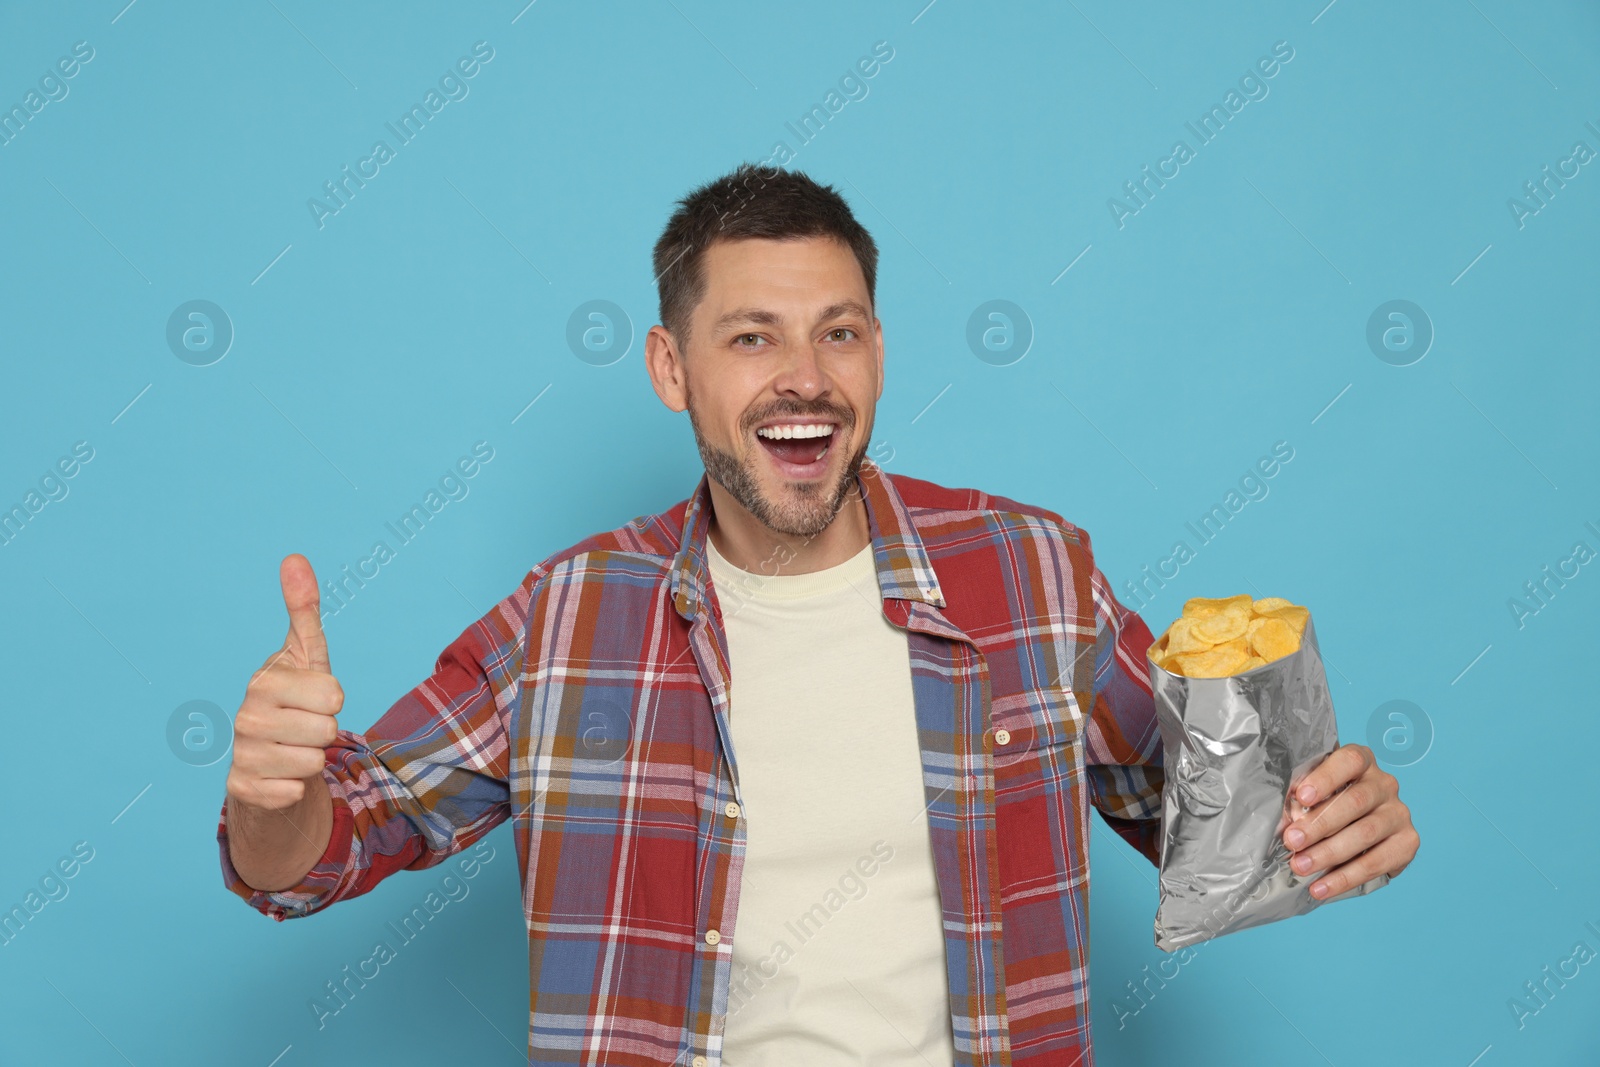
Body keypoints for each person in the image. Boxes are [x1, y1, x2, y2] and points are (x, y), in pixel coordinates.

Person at [217, 163, 1419, 1066]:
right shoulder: (569, 614)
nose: (805, 374)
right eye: (752, 337)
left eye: (837, 331)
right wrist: (276, 797)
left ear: (878, 352)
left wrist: (1331, 822)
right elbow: (327, 850)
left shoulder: (1030, 572)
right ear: (670, 369)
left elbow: (1215, 831)